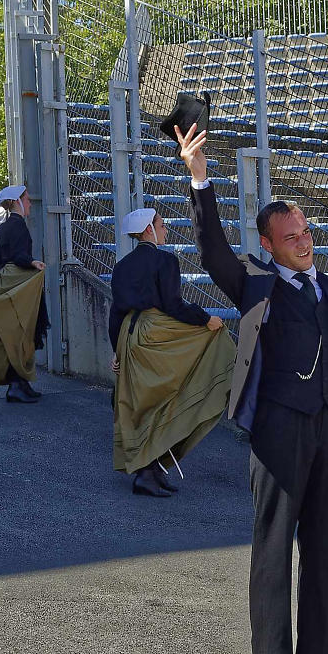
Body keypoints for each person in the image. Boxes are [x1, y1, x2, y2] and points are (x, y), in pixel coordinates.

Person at [182, 122, 328, 654]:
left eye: (306, 232)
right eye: (291, 236)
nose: (303, 242)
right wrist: (199, 179)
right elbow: (212, 251)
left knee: (322, 547)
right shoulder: (254, 283)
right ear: (269, 244)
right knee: (274, 545)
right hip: (278, 433)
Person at [110, 205, 232, 497]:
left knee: (145, 401)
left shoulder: (122, 265)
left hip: (130, 336)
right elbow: (173, 305)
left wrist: (117, 350)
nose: (165, 230)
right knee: (165, 399)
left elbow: (116, 313)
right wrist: (205, 319)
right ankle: (146, 474)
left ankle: (152, 470)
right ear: (148, 230)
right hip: (158, 333)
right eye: (161, 225)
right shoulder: (165, 260)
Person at [0, 185, 46, 404]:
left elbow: (0, 257)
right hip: (14, 280)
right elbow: (17, 255)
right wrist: (32, 262)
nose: (29, 203)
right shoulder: (16, 225)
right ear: (17, 202)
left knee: (13, 331)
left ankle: (20, 383)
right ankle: (17, 385)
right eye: (26, 199)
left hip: (6, 280)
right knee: (19, 331)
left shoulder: (6, 225)